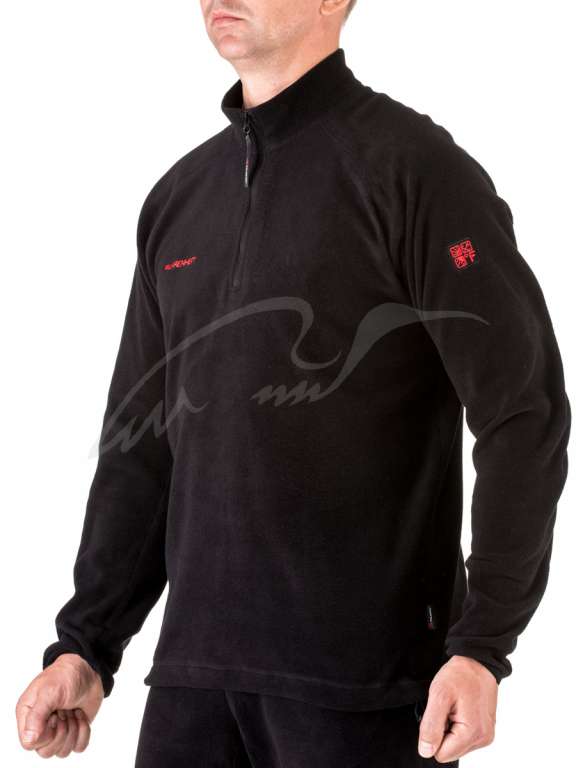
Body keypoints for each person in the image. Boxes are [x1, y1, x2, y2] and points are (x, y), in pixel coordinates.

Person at [16, 0, 571, 765]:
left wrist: (482, 645)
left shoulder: (415, 170)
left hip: (366, 691)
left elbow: (523, 410)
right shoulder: (179, 200)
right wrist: (86, 644)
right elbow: (140, 450)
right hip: (192, 687)